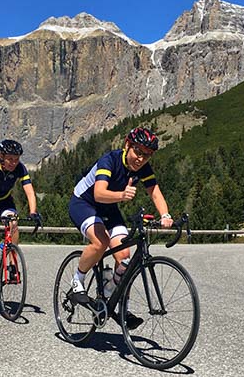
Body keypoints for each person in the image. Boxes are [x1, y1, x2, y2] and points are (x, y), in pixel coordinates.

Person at [67, 127, 173, 329]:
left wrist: (165, 215)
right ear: (127, 146)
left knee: (124, 255)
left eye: (147, 155)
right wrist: (122, 196)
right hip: (84, 203)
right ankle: (77, 280)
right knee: (101, 242)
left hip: (109, 207)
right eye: (138, 152)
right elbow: (98, 193)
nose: (141, 159)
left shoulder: (142, 168)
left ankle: (112, 293)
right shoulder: (110, 160)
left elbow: (155, 192)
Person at [0, 139, 42, 292]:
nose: (13, 163)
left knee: (13, 224)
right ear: (1, 156)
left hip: (5, 202)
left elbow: (29, 191)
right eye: (10, 159)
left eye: (16, 159)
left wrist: (33, 211)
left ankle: (12, 264)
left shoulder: (20, 169)